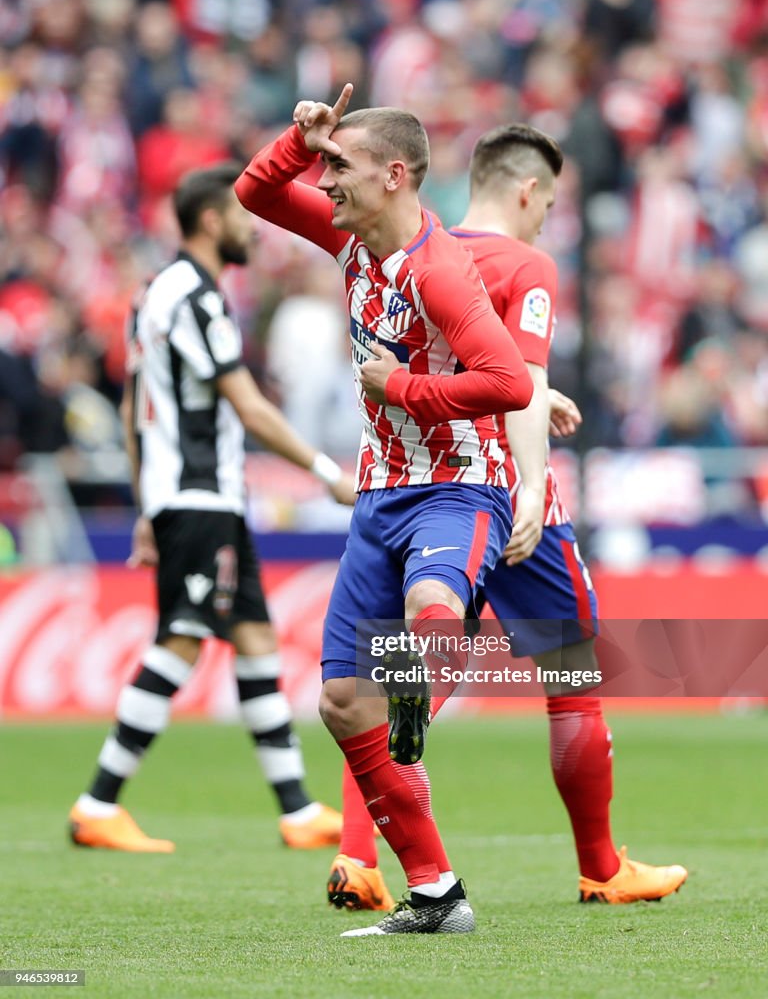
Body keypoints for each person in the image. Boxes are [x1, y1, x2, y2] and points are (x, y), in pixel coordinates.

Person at [330, 124, 688, 911]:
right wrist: (532, 488)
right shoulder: (527, 264)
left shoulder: (422, 249)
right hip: (503, 497)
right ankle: (601, 867)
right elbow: (516, 379)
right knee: (571, 679)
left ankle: (360, 857)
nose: (546, 218)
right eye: (550, 203)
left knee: (404, 684)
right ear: (527, 192)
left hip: (419, 490)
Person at [234, 85, 534, 934]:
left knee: (427, 614)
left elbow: (508, 383)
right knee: (339, 703)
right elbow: (254, 193)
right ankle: (436, 891)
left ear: (395, 176)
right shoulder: (349, 237)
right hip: (379, 493)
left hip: (459, 486)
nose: (325, 182)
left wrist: (401, 384)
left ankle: (417, 674)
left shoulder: (440, 270)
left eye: (340, 167)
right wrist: (301, 139)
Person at [68, 161, 356, 854]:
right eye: (241, 215)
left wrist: (145, 504)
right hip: (199, 495)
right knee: (183, 636)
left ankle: (295, 810)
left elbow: (140, 407)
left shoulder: (154, 295)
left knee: (254, 637)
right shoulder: (194, 296)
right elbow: (248, 406)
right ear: (209, 220)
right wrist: (323, 471)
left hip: (197, 494)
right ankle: (98, 803)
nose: (252, 230)